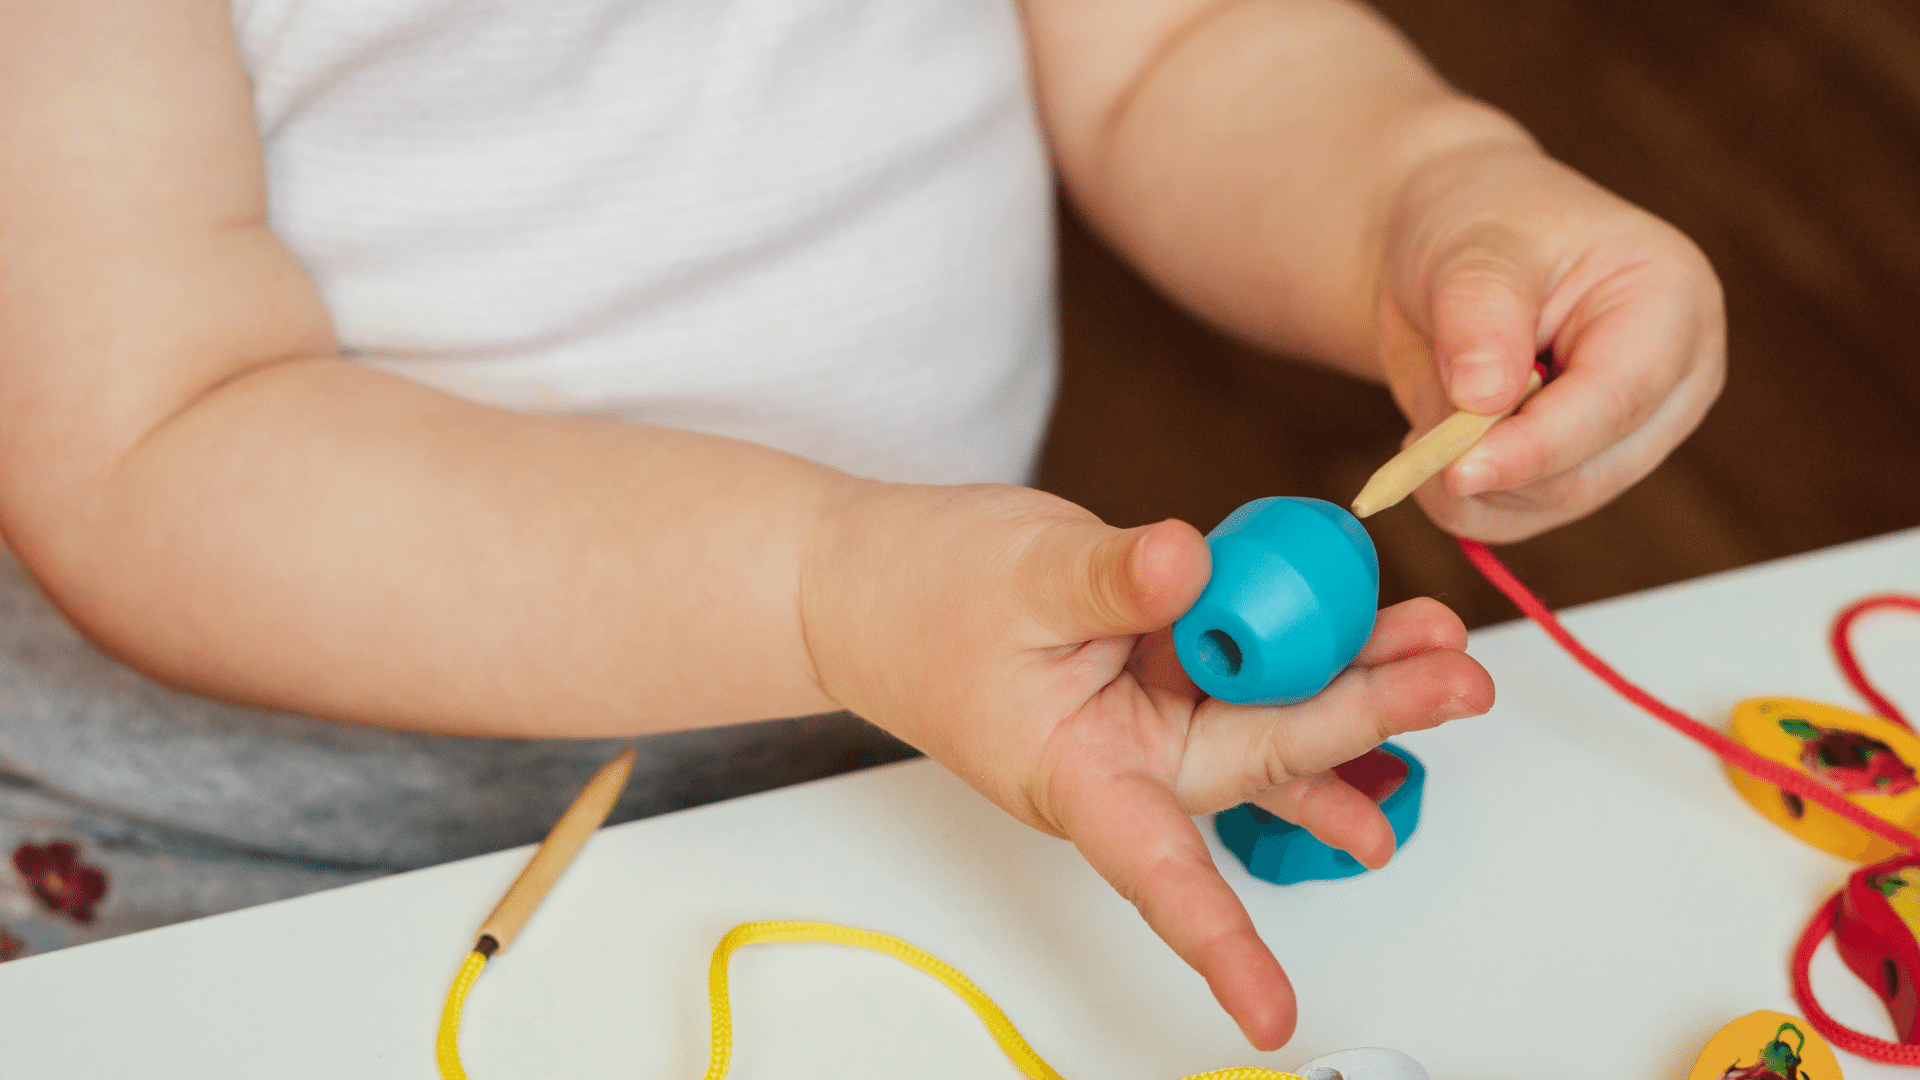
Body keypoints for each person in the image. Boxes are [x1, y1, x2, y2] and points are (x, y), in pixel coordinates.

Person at [0, 0, 1722, 1050]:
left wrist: (1421, 191)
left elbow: (1174, 45)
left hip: (918, 729)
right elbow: (156, 438)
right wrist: (832, 582)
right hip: (274, 868)